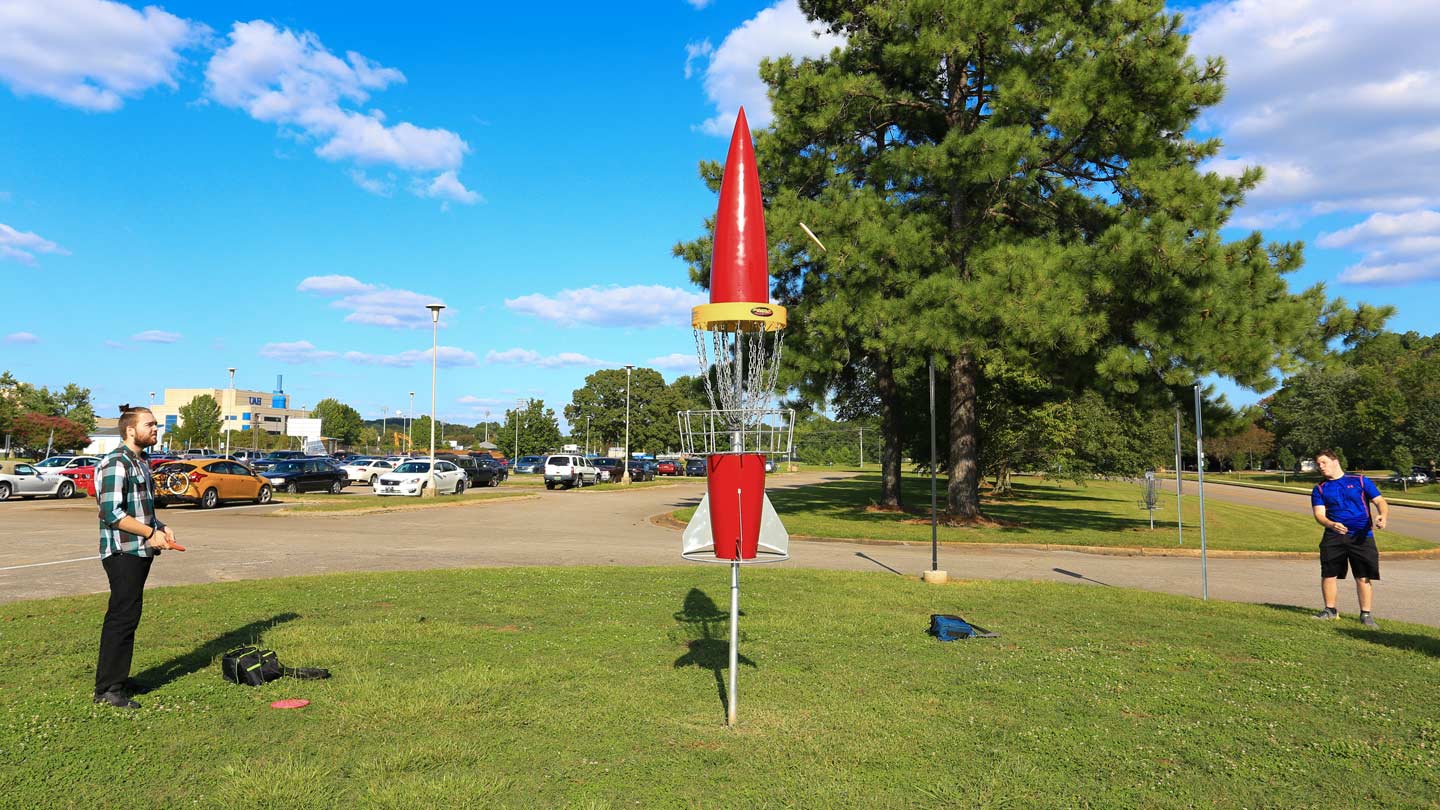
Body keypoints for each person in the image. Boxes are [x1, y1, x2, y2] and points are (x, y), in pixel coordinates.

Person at [93, 406, 185, 709]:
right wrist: (149, 533)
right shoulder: (116, 463)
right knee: (121, 617)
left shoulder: (141, 462)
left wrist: (159, 526)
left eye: (156, 424)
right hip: (122, 551)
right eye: (150, 424)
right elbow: (112, 514)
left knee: (129, 615)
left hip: (141, 549)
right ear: (130, 430)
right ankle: (108, 689)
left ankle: (119, 677)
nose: (156, 429)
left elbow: (141, 509)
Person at [1309, 449, 1387, 627]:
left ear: (1335, 461)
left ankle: (1366, 614)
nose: (1320, 467)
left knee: (1363, 576)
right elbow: (1319, 514)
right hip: (1334, 536)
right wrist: (1330, 524)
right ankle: (1330, 610)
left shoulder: (1359, 480)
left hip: (1361, 536)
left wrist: (1382, 515)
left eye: (1324, 463)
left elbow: (1380, 501)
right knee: (1329, 573)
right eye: (1318, 464)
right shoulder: (1320, 488)